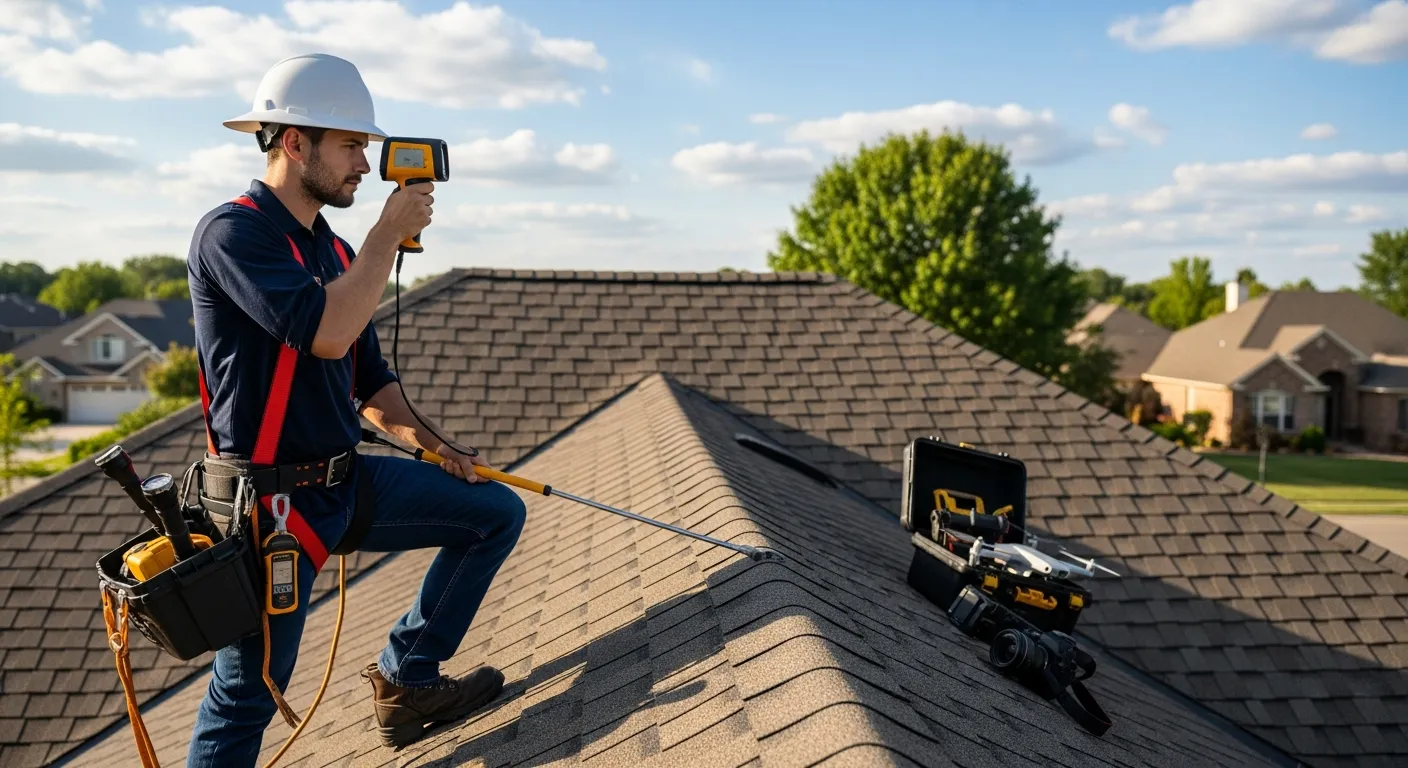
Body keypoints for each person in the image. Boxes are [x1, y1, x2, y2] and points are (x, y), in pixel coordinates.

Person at [184, 53, 526, 766]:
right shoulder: (233, 235)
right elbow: (325, 332)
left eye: (365, 149)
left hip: (342, 484)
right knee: (251, 689)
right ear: (293, 142)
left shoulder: (333, 247)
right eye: (350, 146)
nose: (364, 167)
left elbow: (369, 383)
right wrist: (384, 237)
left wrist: (436, 446)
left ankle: (408, 680)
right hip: (269, 506)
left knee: (493, 512)